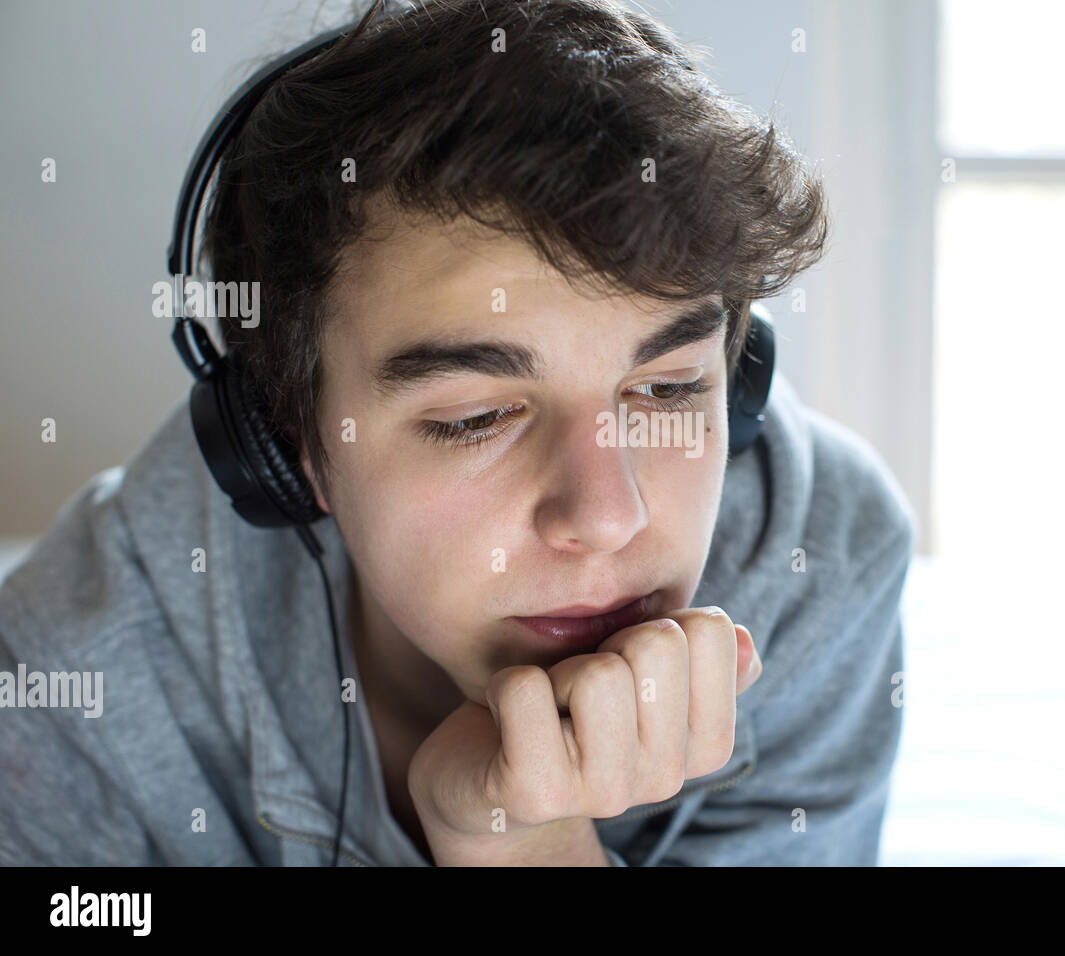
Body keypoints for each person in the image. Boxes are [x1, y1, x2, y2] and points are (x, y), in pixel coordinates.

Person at [0, 0, 913, 866]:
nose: (605, 517)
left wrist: (519, 843)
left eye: (669, 389)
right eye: (476, 417)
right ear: (289, 448)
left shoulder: (824, 561)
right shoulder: (74, 671)